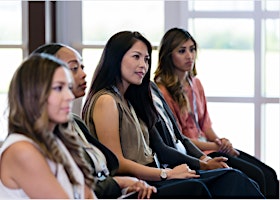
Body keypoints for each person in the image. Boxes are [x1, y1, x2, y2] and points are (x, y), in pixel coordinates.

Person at [82, 30, 265, 198]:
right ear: (116, 58)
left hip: (155, 174)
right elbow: (117, 163)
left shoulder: (130, 98)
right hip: (138, 185)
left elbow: (169, 139)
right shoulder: (106, 101)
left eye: (146, 59)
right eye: (136, 57)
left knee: (234, 176)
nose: (143, 65)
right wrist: (167, 174)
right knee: (213, 184)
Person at [154, 27, 279, 199]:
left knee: (269, 174)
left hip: (211, 147)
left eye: (192, 49)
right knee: (256, 176)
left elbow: (206, 126)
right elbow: (179, 140)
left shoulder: (195, 83)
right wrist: (216, 146)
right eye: (182, 51)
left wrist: (221, 141)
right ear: (168, 56)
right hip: (194, 154)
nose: (189, 56)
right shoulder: (161, 91)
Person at [32, 43, 157, 199]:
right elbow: (76, 190)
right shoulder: (32, 142)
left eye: (82, 67)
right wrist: (122, 183)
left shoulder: (75, 122)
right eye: (73, 68)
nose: (83, 74)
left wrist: (126, 187)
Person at [0, 53, 96, 199]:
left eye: (69, 87)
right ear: (33, 94)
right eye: (58, 88)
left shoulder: (57, 140)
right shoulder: (21, 150)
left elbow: (87, 195)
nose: (70, 96)